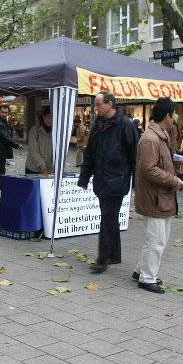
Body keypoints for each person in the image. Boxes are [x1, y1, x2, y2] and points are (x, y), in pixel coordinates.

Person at [77, 92, 139, 274]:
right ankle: (114, 255)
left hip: (117, 180)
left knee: (106, 218)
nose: (96, 108)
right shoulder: (98, 125)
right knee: (111, 219)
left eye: (99, 104)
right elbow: (90, 153)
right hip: (102, 180)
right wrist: (84, 177)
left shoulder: (125, 125)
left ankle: (102, 259)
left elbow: (135, 155)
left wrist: (137, 183)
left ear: (110, 104)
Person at [134, 98, 183, 293]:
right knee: (157, 240)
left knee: (155, 239)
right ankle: (147, 278)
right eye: (174, 115)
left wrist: (176, 169)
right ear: (167, 116)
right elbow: (149, 169)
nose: (175, 118)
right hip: (154, 197)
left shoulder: (160, 135)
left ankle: (141, 271)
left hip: (160, 196)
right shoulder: (151, 138)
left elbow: (160, 164)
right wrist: (173, 180)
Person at [0, 104, 22, 200]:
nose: (4, 114)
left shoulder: (3, 121)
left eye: (6, 112)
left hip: (0, 151)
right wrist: (17, 145)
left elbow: (7, 135)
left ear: (8, 113)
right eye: (2, 112)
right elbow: (5, 137)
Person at [25, 107, 53, 175]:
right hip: (34, 168)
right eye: (49, 117)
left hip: (48, 168)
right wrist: (41, 164)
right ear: (43, 117)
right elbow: (33, 149)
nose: (50, 120)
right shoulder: (35, 130)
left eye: (52, 117)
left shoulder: (55, 130)